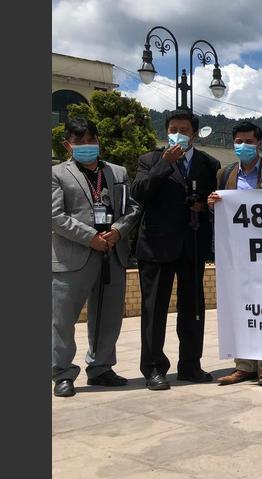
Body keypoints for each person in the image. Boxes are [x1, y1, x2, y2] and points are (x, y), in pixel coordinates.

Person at [132, 109, 221, 391]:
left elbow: (216, 203)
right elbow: (139, 192)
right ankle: (154, 368)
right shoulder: (150, 159)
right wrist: (163, 164)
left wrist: (205, 207)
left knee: (193, 308)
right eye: (173, 129)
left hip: (192, 244)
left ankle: (190, 365)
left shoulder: (209, 164)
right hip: (156, 247)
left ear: (194, 133)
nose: (178, 135)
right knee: (154, 309)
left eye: (184, 130)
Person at [52, 118, 141, 397]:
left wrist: (116, 231)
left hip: (112, 254)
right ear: (68, 144)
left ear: (98, 141)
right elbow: (54, 215)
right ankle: (62, 373)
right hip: (73, 256)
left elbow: (133, 208)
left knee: (108, 316)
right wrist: (90, 237)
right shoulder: (56, 173)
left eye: (91, 140)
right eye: (79, 141)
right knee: (62, 320)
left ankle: (101, 367)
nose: (86, 146)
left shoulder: (117, 172)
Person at [209, 121, 262, 386]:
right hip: (236, 253)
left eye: (248, 141)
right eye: (238, 141)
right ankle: (243, 365)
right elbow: (220, 211)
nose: (242, 146)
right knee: (240, 306)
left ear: (258, 143)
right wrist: (214, 205)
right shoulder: (225, 173)